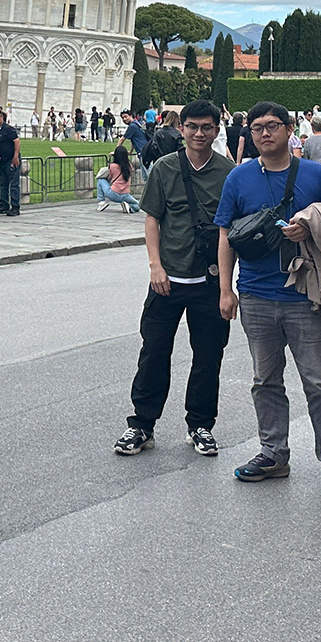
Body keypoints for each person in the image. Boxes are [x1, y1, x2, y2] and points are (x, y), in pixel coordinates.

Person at [215, 100, 321, 501]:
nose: (264, 133)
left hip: (304, 294)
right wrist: (226, 289)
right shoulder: (239, 178)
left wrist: (309, 228)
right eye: (256, 127)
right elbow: (225, 236)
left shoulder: (315, 175)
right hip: (256, 294)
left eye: (272, 126)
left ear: (288, 129)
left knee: (319, 381)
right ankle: (273, 452)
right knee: (265, 380)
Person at [115, 101, 232, 457]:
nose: (199, 134)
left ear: (216, 130)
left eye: (206, 127)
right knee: (153, 353)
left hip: (208, 280)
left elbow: (230, 230)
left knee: (208, 356)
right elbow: (152, 219)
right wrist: (155, 266)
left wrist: (228, 287)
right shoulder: (166, 168)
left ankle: (200, 425)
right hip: (167, 279)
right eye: (193, 126)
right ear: (181, 129)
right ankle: (142, 425)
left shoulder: (228, 172)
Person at [96, 143, 142, 211]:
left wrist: (112, 155)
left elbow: (109, 178)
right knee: (138, 205)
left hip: (114, 193)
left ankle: (101, 202)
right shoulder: (129, 166)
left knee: (100, 180)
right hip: (126, 194)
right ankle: (129, 209)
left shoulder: (113, 166)